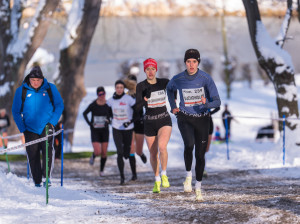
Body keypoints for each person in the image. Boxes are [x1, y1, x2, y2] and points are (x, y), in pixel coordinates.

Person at [167, 49, 221, 201]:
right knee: (189, 145)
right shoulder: (178, 79)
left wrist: (207, 103)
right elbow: (169, 90)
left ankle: (198, 186)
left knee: (200, 154)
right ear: (185, 62)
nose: (191, 65)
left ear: (198, 62)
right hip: (185, 117)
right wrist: (173, 105)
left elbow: (218, 101)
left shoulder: (205, 78)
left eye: (194, 62)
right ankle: (188, 177)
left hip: (202, 119)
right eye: (189, 62)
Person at [12, 66, 64, 187]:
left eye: (38, 80)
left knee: (47, 151)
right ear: (29, 79)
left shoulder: (51, 88)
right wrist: (22, 128)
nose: (35, 83)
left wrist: (52, 122)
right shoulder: (21, 91)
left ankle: (46, 178)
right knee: (32, 153)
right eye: (33, 80)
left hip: (47, 126)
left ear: (42, 79)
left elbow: (59, 105)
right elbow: (15, 111)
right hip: (29, 128)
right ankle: (37, 181)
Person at [135, 58, 172, 193]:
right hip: (149, 122)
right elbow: (137, 107)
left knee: (162, 147)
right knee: (152, 152)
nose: (150, 72)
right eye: (148, 69)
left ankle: (164, 174)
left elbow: (175, 89)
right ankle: (156, 180)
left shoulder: (164, 82)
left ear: (156, 70)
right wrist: (145, 99)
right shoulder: (141, 86)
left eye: (153, 69)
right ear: (145, 70)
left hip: (164, 119)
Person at [107, 80, 136, 185]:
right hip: (116, 128)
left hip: (128, 128)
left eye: (121, 87)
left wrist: (130, 122)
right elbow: (107, 113)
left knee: (127, 154)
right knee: (119, 152)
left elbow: (136, 112)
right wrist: (107, 119)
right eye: (117, 87)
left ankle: (134, 173)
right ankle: (122, 177)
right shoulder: (110, 101)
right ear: (115, 88)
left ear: (124, 89)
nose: (119, 89)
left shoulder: (129, 99)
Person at [83, 87, 110, 176]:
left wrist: (108, 121)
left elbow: (112, 116)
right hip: (95, 130)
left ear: (105, 94)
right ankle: (94, 156)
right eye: (100, 94)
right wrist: (90, 124)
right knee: (98, 151)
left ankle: (101, 170)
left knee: (104, 153)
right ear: (97, 95)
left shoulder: (108, 105)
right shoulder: (93, 105)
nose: (102, 96)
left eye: (103, 94)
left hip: (105, 131)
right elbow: (84, 113)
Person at [124, 75, 147, 164]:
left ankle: (141, 154)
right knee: (131, 148)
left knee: (138, 150)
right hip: (130, 123)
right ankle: (134, 173)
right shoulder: (125, 95)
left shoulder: (141, 93)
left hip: (140, 123)